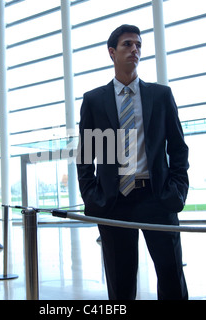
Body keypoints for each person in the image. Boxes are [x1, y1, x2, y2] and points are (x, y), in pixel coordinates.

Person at [76, 24, 189, 300]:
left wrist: (177, 190)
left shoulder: (160, 96)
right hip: (114, 202)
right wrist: (93, 197)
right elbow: (85, 157)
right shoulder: (94, 101)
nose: (135, 49)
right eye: (127, 44)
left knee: (171, 277)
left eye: (138, 45)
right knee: (120, 283)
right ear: (112, 52)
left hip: (157, 197)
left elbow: (177, 148)